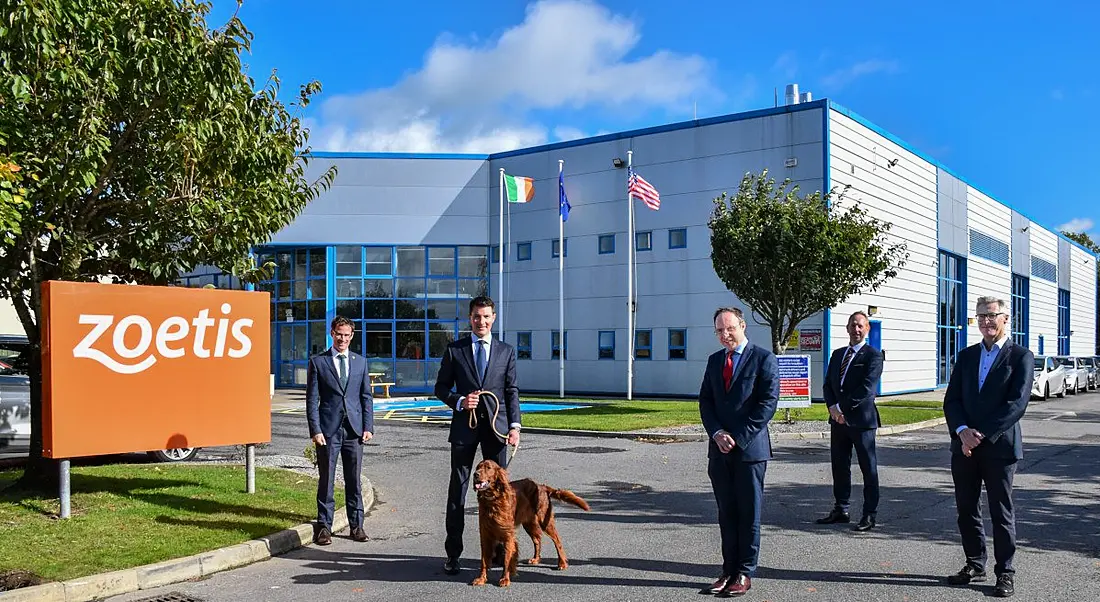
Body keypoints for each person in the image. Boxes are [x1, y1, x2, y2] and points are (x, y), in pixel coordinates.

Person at [943, 296, 1032, 598]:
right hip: (964, 448)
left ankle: (1005, 572)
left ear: (1006, 319)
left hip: (999, 448)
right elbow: (952, 400)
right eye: (980, 316)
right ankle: (974, 563)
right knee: (966, 509)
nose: (985, 321)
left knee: (1001, 511)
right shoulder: (966, 356)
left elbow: (1016, 404)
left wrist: (980, 435)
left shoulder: (1021, 356)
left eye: (991, 315)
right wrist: (962, 432)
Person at [433, 296, 521, 576]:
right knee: (457, 492)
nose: (480, 322)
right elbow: (441, 387)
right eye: (475, 317)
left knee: (498, 494)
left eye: (485, 316)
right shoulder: (455, 350)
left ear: (493, 318)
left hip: (497, 430)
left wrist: (515, 427)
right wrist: (459, 401)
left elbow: (511, 391)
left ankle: (497, 554)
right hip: (464, 429)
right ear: (469, 318)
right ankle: (453, 554)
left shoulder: (506, 351)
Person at [698, 307, 779, 597]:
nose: (725, 335)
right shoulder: (714, 361)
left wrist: (739, 438)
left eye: (730, 328)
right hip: (719, 452)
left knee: (748, 514)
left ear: (742, 326)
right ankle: (728, 570)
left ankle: (744, 572)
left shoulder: (763, 359)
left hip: (749, 452)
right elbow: (706, 401)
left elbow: (767, 404)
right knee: (726, 514)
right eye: (720, 330)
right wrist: (717, 433)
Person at [305, 316, 375, 546]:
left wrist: (368, 426)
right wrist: (315, 429)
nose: (342, 338)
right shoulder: (318, 362)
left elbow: (366, 397)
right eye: (338, 334)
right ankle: (324, 527)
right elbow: (312, 399)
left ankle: (357, 526)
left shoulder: (360, 362)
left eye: (346, 335)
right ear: (332, 333)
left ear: (352, 336)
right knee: (326, 480)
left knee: (354, 480)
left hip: (354, 430)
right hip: (328, 431)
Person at [816, 311, 885, 531]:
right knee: (839, 466)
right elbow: (828, 384)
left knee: (868, 469)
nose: (856, 329)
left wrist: (842, 408)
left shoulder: (873, 356)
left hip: (861, 422)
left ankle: (869, 514)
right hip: (838, 421)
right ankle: (841, 508)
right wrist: (832, 408)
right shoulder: (837, 355)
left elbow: (866, 388)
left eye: (861, 326)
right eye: (853, 325)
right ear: (847, 328)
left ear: (867, 329)